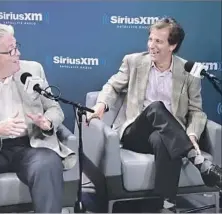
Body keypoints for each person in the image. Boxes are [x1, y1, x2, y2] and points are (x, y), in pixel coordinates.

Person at [87, 17, 222, 212]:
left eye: (158, 41)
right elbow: (112, 86)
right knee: (157, 107)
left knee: (162, 139)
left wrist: (191, 134)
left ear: (173, 45)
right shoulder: (134, 62)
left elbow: (197, 112)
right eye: (150, 39)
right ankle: (198, 161)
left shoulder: (187, 72)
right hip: (135, 133)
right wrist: (101, 104)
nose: (152, 45)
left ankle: (167, 204)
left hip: (168, 135)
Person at [0, 23, 77, 213]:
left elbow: (54, 108)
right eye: (11, 51)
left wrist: (47, 122)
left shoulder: (32, 70)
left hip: (29, 145)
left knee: (48, 163)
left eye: (17, 47)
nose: (17, 53)